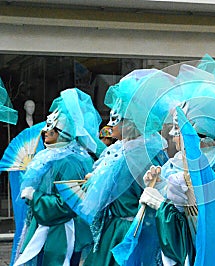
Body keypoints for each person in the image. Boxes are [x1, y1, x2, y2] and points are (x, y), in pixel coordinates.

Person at [138, 55, 215, 265]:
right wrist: (159, 185)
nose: (173, 136)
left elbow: (203, 222)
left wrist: (161, 203)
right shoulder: (186, 160)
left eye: (180, 130)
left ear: (203, 137)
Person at [79, 69, 171, 266]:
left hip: (132, 231)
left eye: (116, 118)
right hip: (114, 228)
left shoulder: (144, 152)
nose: (110, 124)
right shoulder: (120, 149)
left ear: (131, 122)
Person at [14, 88, 103, 266]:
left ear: (62, 132)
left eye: (51, 127)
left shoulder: (70, 161)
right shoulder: (51, 155)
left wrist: (34, 196)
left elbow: (68, 203)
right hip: (46, 226)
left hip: (60, 232)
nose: (45, 131)